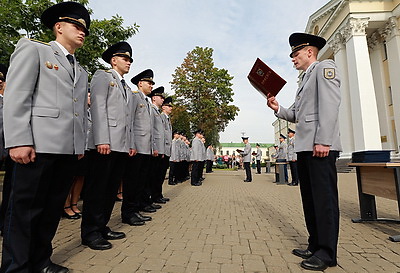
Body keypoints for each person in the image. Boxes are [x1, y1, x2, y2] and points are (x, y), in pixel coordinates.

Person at [1, 2, 90, 272]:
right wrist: (18, 140)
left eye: (85, 28)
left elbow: (76, 110)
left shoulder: (81, 69)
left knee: (51, 210)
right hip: (36, 146)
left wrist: (79, 146)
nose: (82, 31)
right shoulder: (35, 50)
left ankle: (41, 261)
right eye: (77, 25)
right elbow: (17, 96)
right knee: (25, 211)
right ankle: (16, 267)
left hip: (65, 149)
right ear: (59, 26)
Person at [267, 32, 341, 271]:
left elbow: (330, 105)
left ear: (310, 51)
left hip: (319, 147)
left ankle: (327, 254)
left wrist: (323, 141)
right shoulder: (304, 80)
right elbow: (296, 115)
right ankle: (315, 244)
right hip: (306, 147)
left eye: (295, 54)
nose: (292, 59)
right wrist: (278, 108)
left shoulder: (324, 68)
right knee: (310, 200)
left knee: (324, 200)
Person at [81, 41, 133, 250]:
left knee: (111, 189)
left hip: (120, 145)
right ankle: (90, 232)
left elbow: (127, 119)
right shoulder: (103, 76)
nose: (128, 62)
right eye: (125, 58)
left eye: (130, 59)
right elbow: (98, 108)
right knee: (97, 189)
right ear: (113, 60)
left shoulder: (126, 87)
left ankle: (102, 227)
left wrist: (129, 143)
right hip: (106, 143)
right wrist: (101, 139)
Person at [121, 69, 155, 226]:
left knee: (140, 181)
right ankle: (128, 212)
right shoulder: (135, 97)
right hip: (136, 147)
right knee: (132, 182)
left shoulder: (147, 102)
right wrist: (131, 144)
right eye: (149, 83)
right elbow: (130, 122)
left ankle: (136, 209)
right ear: (140, 83)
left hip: (145, 148)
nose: (151, 86)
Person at [149, 86, 167, 204]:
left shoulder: (157, 112)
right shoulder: (152, 110)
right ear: (154, 98)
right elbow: (152, 131)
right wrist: (155, 148)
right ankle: (150, 198)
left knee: (158, 176)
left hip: (158, 149)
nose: (162, 100)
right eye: (161, 97)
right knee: (151, 177)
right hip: (152, 149)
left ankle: (156, 196)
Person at [158, 97, 173, 199]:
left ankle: (158, 194)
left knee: (162, 174)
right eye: (169, 106)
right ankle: (156, 195)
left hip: (166, 151)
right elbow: (161, 135)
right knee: (158, 175)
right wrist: (161, 150)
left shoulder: (167, 119)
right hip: (162, 150)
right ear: (163, 107)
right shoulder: (162, 117)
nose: (171, 108)